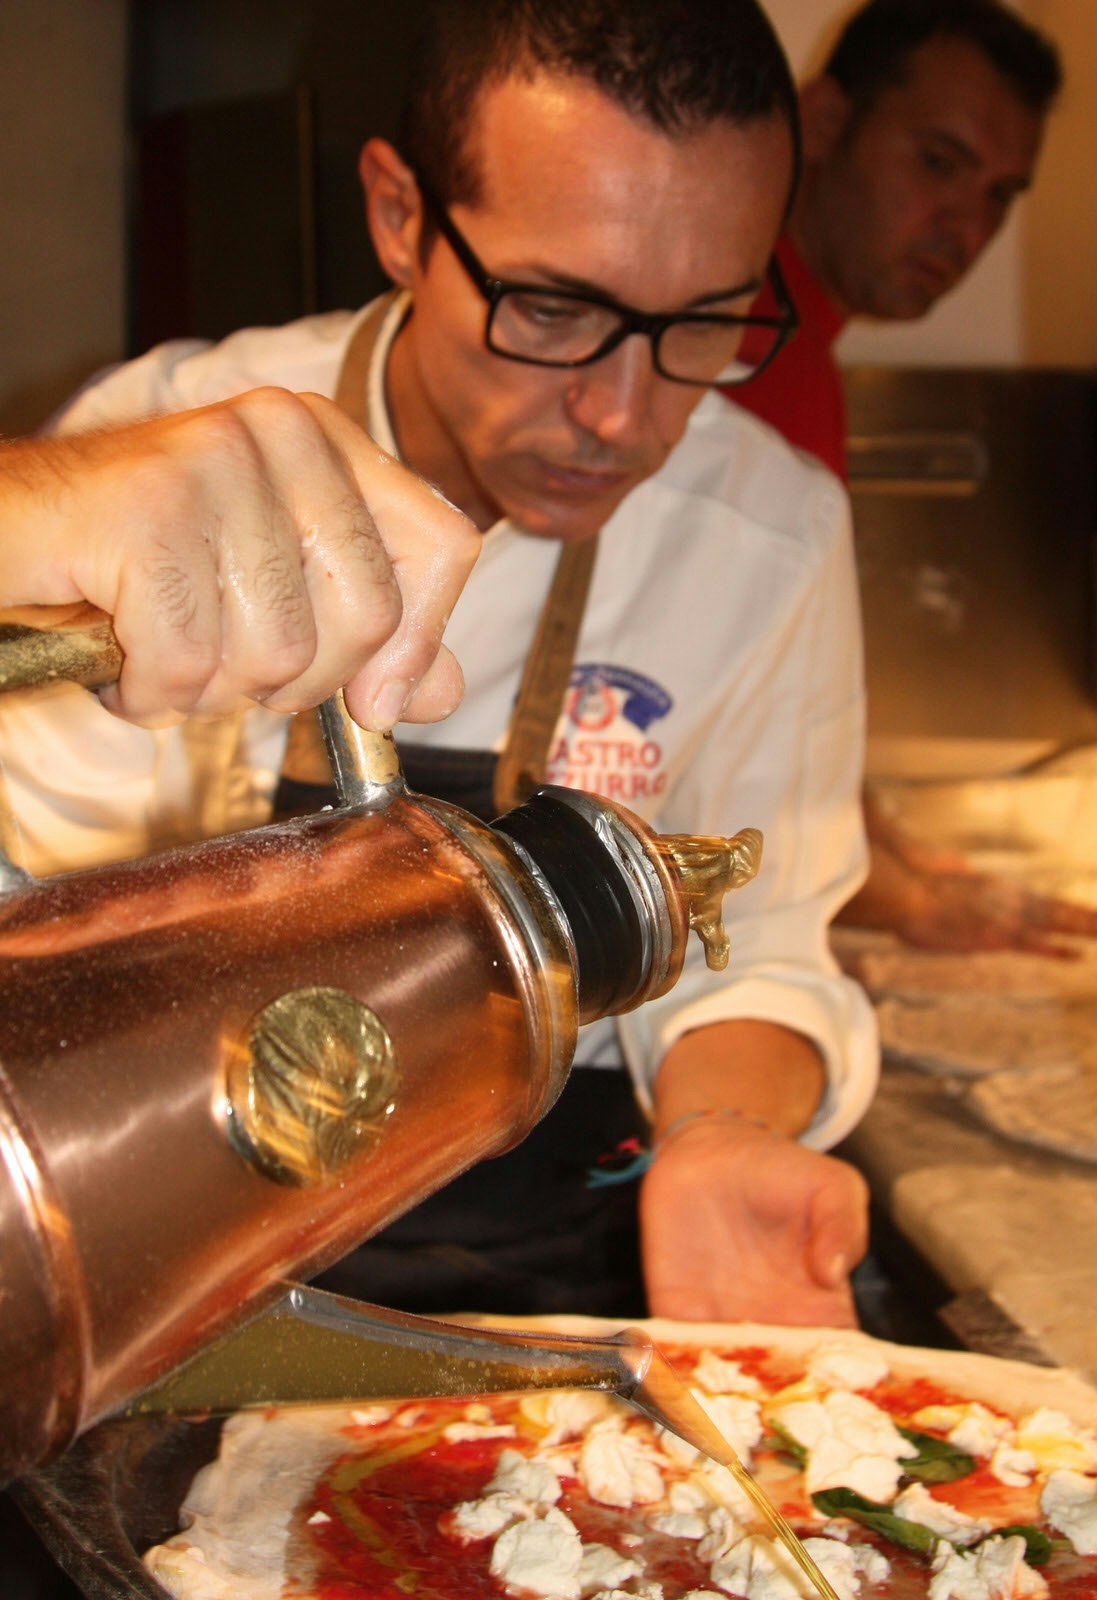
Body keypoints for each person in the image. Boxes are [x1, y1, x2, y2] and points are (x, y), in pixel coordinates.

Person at [0, 0, 877, 1328]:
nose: (620, 416)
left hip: (530, 1250)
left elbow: (760, 948)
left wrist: (724, 1134)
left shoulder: (770, 536)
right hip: (147, 1224)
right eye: (554, 307)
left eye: (704, 322)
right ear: (400, 217)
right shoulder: (153, 453)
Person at [731, 0, 1093, 956]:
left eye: (1000, 194)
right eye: (937, 163)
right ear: (822, 121)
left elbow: (784, 690)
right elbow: (709, 737)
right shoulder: (743, 350)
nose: (965, 227)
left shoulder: (800, 338)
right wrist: (904, 900)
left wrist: (890, 851)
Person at [0, 393, 477, 730]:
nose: (557, 400)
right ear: (398, 246)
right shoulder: (150, 397)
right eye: (540, 311)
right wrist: (27, 501)